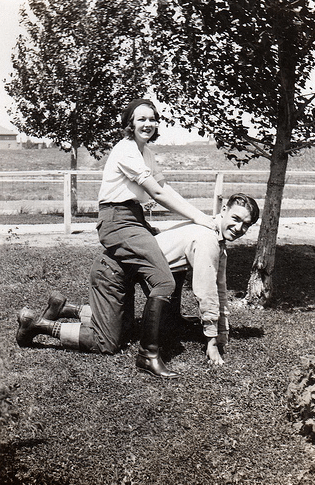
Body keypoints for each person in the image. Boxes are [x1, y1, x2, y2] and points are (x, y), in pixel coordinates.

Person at [17, 99, 217, 380]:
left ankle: (67, 309)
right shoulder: (125, 150)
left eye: (152, 119)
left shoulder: (146, 152)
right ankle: (148, 355)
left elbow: (163, 187)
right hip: (117, 219)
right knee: (163, 281)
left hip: (135, 219)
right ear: (130, 124)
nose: (148, 124)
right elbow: (157, 195)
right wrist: (200, 218)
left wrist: (199, 215)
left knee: (160, 272)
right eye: (141, 119)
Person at [16, 193, 259, 371]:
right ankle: (38, 325)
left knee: (127, 325)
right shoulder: (207, 239)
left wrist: (222, 331)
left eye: (246, 225)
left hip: (121, 274)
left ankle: (66, 309)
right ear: (224, 208)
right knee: (106, 342)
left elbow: (220, 288)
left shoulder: (212, 235)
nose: (239, 227)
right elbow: (206, 293)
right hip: (111, 274)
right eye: (236, 218)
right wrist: (212, 340)